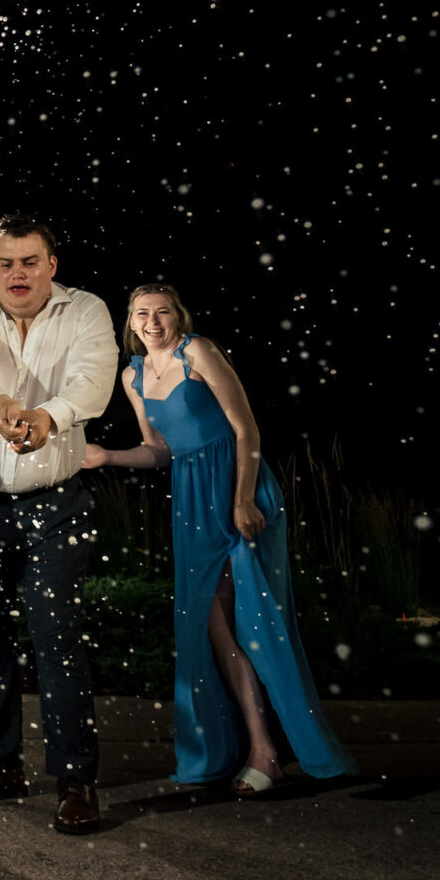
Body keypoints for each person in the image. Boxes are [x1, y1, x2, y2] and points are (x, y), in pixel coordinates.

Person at [84, 284, 357, 794]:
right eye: (142, 313)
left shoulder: (198, 352)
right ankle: (258, 746)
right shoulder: (133, 375)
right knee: (212, 628)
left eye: (163, 311)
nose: (153, 321)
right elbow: (158, 450)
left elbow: (245, 428)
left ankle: (271, 751)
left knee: (253, 617)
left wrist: (244, 499)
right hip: (191, 500)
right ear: (131, 322)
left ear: (178, 315)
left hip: (236, 487)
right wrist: (108, 457)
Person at [0, 215, 117, 835]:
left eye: (30, 262)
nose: (17, 274)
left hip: (55, 499)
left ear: (52, 265)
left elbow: (92, 384)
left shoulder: (88, 311)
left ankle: (75, 779)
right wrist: (7, 410)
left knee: (57, 637)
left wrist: (49, 418)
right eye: (6, 263)